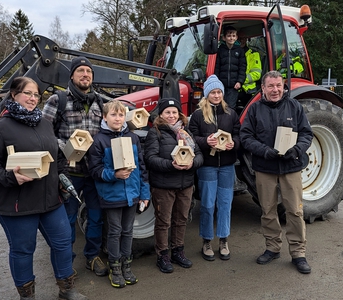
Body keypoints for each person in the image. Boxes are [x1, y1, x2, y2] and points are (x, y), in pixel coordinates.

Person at [0, 76, 87, 299]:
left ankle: (67, 289)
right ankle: (27, 296)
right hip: (17, 203)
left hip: (50, 200)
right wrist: (9, 177)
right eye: (27, 93)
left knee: (63, 242)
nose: (32, 98)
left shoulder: (45, 124)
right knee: (23, 250)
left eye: (36, 94)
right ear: (14, 95)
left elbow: (57, 158)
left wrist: (63, 178)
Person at [240, 70, 313, 274]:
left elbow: (307, 133)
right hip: (265, 168)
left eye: (278, 85)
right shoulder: (254, 110)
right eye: (270, 86)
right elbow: (246, 137)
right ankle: (272, 248)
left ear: (283, 86)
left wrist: (297, 149)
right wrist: (264, 151)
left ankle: (298, 253)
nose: (275, 90)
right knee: (268, 210)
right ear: (263, 88)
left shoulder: (294, 106)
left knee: (295, 211)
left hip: (291, 167)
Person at [42, 56, 108, 277]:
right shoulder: (57, 100)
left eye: (88, 71)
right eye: (80, 71)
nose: (85, 75)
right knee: (67, 220)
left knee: (96, 218)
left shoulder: (100, 102)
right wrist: (67, 146)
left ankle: (92, 256)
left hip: (94, 172)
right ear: (72, 75)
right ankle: (66, 261)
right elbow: (43, 134)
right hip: (69, 173)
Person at [87, 100, 150, 288]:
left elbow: (141, 168)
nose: (117, 118)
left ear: (125, 117)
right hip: (112, 195)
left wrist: (144, 194)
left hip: (132, 194)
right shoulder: (99, 140)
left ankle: (126, 266)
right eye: (113, 115)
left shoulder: (133, 138)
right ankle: (114, 267)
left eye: (121, 115)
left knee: (128, 231)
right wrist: (114, 175)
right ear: (105, 117)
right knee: (114, 232)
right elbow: (95, 170)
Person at [144, 97, 203, 273]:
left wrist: (193, 164)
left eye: (174, 112)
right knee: (164, 221)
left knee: (181, 219)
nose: (171, 115)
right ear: (161, 114)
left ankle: (178, 251)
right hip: (164, 185)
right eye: (167, 112)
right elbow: (150, 159)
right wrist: (171, 165)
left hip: (185, 184)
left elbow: (199, 154)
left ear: (179, 114)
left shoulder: (186, 133)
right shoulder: (155, 133)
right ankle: (162, 254)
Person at [189, 74, 240, 261]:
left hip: (227, 165)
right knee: (208, 204)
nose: (216, 95)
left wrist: (234, 143)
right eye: (213, 92)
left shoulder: (231, 114)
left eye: (219, 92)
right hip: (208, 167)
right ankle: (207, 240)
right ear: (206, 94)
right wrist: (205, 141)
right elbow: (191, 138)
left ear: (223, 94)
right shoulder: (198, 115)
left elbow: (238, 134)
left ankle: (224, 240)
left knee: (225, 204)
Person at [214, 25, 247, 110]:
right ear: (224, 38)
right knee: (221, 106)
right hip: (222, 85)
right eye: (228, 36)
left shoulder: (239, 51)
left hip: (234, 86)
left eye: (233, 36)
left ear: (236, 37)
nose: (231, 38)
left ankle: (230, 122)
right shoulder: (220, 50)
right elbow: (217, 67)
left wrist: (240, 81)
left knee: (231, 107)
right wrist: (216, 81)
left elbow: (242, 68)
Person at [238, 35, 263, 106]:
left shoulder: (253, 54)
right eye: (239, 38)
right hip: (233, 88)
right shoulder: (230, 53)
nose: (241, 40)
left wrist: (240, 80)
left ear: (246, 39)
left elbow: (257, 74)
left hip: (248, 90)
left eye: (243, 38)